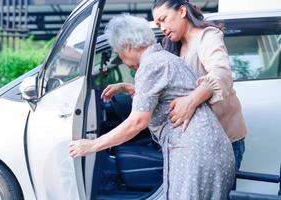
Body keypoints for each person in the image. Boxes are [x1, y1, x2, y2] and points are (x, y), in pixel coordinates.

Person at [69, 14, 235, 199]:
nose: (122, 59)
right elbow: (161, 96)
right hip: (211, 149)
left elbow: (137, 122)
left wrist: (92, 145)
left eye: (119, 53)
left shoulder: (150, 65)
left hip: (194, 153)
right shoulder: (164, 58)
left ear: (127, 46)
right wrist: (127, 88)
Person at [103, 0, 247, 172]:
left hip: (223, 137)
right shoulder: (171, 46)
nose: (162, 28)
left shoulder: (207, 36)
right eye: (158, 24)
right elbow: (171, 87)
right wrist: (131, 88)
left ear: (182, 11)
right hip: (195, 141)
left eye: (163, 19)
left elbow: (221, 73)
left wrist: (191, 101)